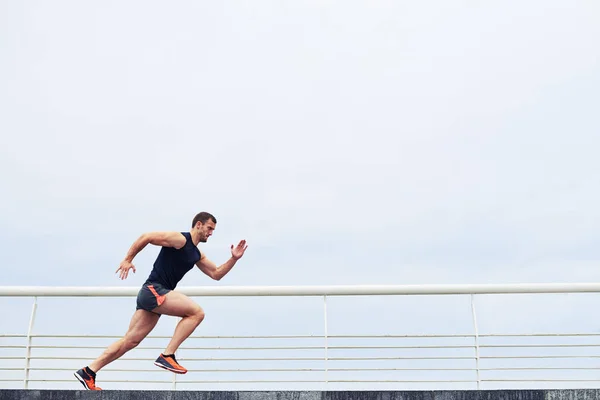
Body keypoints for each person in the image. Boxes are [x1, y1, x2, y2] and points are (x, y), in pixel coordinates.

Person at [74, 212, 248, 390]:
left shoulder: (197, 255)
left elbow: (216, 273)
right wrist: (127, 259)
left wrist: (233, 258)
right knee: (197, 313)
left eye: (213, 230)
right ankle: (168, 355)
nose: (211, 233)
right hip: (154, 290)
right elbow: (147, 237)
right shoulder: (180, 239)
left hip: (153, 296)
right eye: (209, 228)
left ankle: (89, 371)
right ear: (198, 225)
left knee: (130, 341)